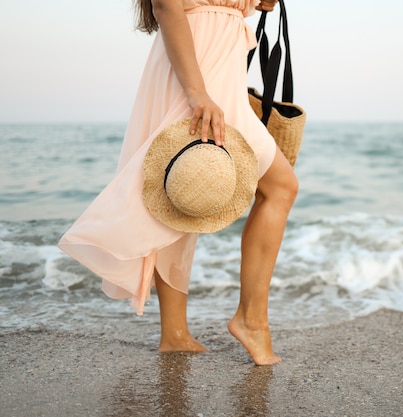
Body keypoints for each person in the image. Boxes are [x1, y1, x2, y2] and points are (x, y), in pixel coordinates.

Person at [58, 0, 297, 366]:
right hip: (196, 69)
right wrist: (197, 91)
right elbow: (167, 6)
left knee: (182, 190)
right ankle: (249, 321)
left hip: (216, 64)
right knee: (277, 186)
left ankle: (175, 334)